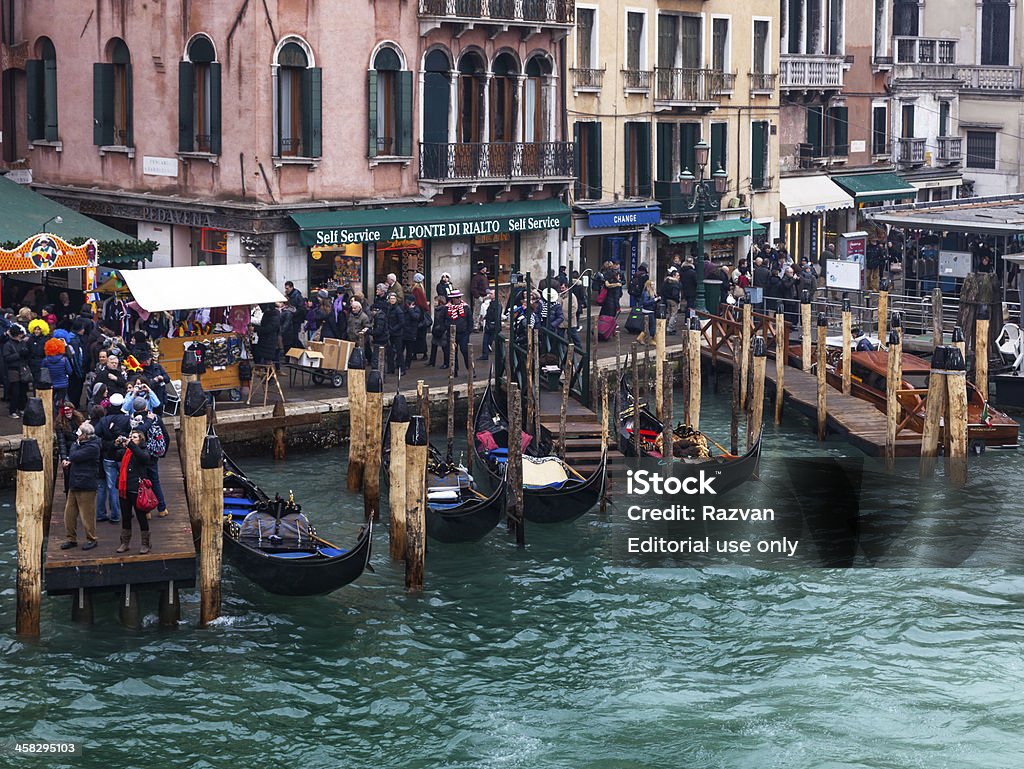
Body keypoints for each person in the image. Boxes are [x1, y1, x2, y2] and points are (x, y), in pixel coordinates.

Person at [59, 421, 101, 551]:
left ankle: (91, 538)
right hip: (75, 483)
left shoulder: (93, 447)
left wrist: (74, 447)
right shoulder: (80, 444)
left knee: (87, 515)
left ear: (85, 436)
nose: (77, 434)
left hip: (86, 484)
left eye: (79, 433)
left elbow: (74, 455)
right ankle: (71, 538)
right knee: (69, 514)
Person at [115, 429, 153, 554]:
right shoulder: (125, 451)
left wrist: (130, 444)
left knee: (141, 517)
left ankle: (145, 543)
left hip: (137, 489)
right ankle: (124, 542)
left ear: (140, 439)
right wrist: (115, 445)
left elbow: (144, 458)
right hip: (124, 489)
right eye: (131, 436)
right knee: (125, 516)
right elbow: (112, 455)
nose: (131, 438)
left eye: (135, 437)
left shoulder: (143, 450)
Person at [96, 392, 130, 523]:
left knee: (111, 487)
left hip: (108, 456)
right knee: (124, 485)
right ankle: (126, 512)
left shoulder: (104, 420)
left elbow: (96, 434)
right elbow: (131, 436)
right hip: (123, 456)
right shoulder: (127, 419)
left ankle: (115, 514)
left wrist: (107, 442)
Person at [3, 324, 28, 417]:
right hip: (12, 371)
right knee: (15, 392)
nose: (20, 336)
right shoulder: (8, 345)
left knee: (23, 391)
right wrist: (18, 354)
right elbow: (6, 358)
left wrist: (25, 353)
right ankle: (12, 410)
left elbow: (26, 354)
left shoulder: (22, 343)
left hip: (22, 369)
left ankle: (22, 408)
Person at [42, 337, 72, 406]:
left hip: (51, 385)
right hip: (63, 384)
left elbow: (43, 374)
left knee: (50, 403)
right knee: (61, 403)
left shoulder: (45, 360)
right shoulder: (64, 359)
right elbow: (70, 371)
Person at [447, 289, 471, 375]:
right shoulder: (447, 308)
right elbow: (444, 320)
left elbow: (470, 320)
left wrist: (468, 332)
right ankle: (454, 371)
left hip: (463, 333)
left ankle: (471, 370)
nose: (458, 299)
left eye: (459, 297)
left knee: (465, 351)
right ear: (452, 299)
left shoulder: (466, 307)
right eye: (456, 298)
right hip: (452, 333)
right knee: (453, 352)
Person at [385, 292, 406, 375]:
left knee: (399, 352)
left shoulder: (398, 310)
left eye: (393, 299)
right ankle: (391, 368)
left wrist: (393, 329)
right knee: (389, 351)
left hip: (397, 334)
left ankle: (402, 369)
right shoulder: (389, 308)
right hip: (390, 333)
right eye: (391, 299)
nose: (392, 300)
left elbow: (401, 322)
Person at [428, 295, 451, 368]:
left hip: (442, 330)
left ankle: (446, 363)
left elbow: (445, 320)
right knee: (434, 346)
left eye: (435, 301)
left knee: (444, 347)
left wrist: (442, 328)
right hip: (436, 330)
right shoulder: (436, 309)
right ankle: (432, 361)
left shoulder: (444, 309)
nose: (434, 302)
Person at [479, 289, 502, 360]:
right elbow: (489, 313)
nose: (490, 295)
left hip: (492, 325)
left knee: (495, 341)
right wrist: (485, 317)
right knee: (486, 341)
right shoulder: (491, 303)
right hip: (489, 325)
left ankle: (500, 355)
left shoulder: (497, 304)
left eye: (491, 294)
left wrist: (494, 324)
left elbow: (497, 316)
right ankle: (485, 355)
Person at [661, 266, 682, 334]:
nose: (679, 277)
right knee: (673, 314)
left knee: (668, 313)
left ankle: (666, 326)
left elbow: (662, 290)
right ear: (674, 276)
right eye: (677, 275)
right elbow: (675, 293)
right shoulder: (675, 283)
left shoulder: (666, 282)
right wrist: (677, 300)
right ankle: (669, 328)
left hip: (667, 299)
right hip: (673, 300)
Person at [471, 264, 490, 331]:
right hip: (479, 296)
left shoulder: (485, 276)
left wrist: (488, 292)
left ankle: (482, 324)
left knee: (484, 311)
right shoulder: (476, 278)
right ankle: (475, 326)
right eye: (485, 268)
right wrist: (478, 296)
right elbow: (473, 288)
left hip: (486, 296)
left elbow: (487, 286)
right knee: (477, 312)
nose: (486, 269)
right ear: (482, 269)